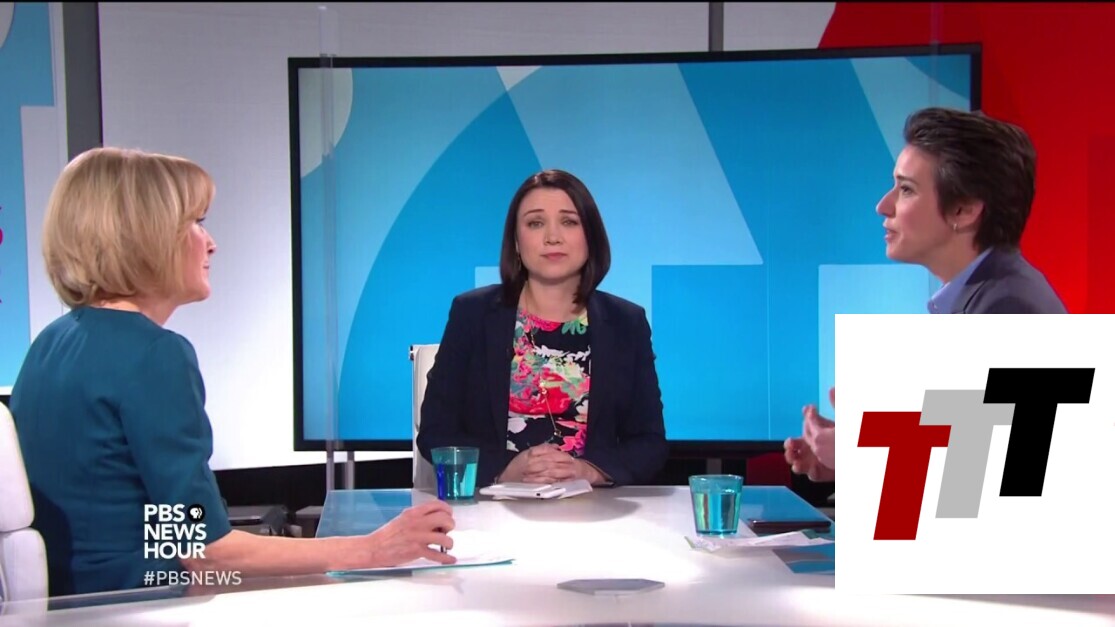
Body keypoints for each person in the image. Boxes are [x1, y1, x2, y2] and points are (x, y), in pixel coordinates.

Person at [10, 147, 456, 596]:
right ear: (147, 236)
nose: (211, 243)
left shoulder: (50, 344)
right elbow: (204, 550)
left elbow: (167, 533)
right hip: (134, 602)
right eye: (196, 223)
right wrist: (370, 549)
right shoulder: (152, 355)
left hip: (79, 600)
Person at [786, 107, 1066, 481]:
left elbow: (1017, 481)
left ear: (964, 209)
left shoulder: (1008, 310)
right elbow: (964, 465)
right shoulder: (982, 297)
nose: (883, 206)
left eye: (906, 189)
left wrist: (862, 453)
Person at [416, 169, 668, 488]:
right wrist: (505, 470)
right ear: (516, 241)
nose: (553, 237)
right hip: (495, 505)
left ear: (590, 236)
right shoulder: (472, 314)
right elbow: (436, 432)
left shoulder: (626, 322)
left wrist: (589, 471)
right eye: (535, 223)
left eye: (569, 222)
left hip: (592, 506)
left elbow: (649, 443)